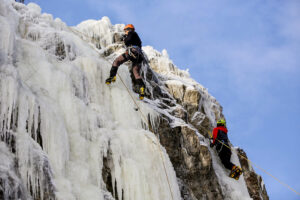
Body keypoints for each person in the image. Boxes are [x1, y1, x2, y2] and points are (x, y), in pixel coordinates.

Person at [105, 24, 145, 100]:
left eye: (125, 30)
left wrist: (125, 39)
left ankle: (112, 76)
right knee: (136, 72)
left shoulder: (132, 33)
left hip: (132, 52)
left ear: (129, 29)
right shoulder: (136, 37)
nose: (125, 32)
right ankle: (142, 89)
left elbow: (128, 40)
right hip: (139, 56)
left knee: (117, 61)